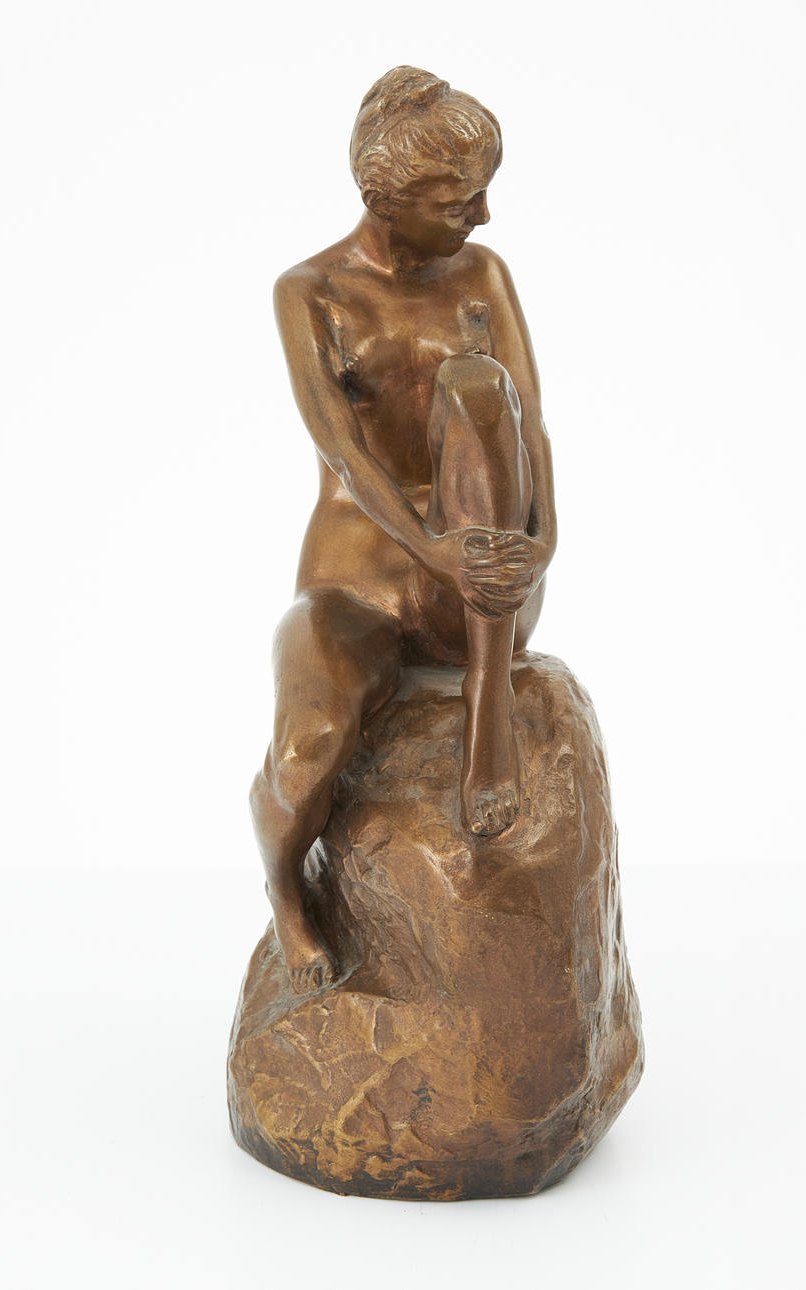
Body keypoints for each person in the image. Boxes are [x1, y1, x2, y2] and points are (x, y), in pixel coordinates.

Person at [250, 67, 558, 993]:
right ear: (387, 196)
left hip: (483, 562)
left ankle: (488, 706)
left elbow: (531, 425)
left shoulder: (482, 276)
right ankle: (286, 892)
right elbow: (342, 452)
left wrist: (543, 541)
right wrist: (429, 550)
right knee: (305, 748)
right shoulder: (310, 293)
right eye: (458, 200)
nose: (484, 216)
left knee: (476, 384)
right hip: (360, 574)